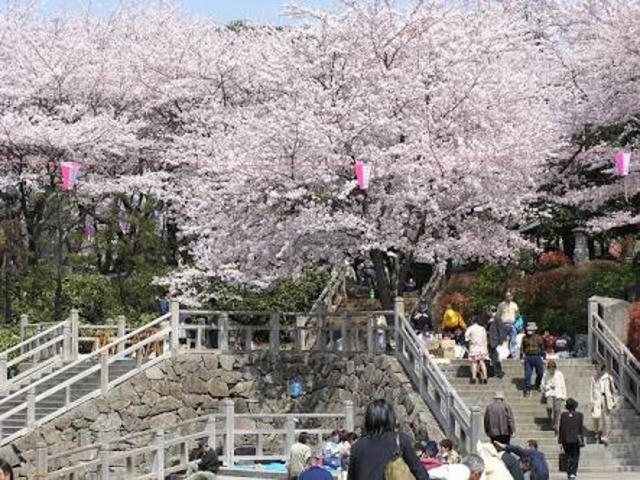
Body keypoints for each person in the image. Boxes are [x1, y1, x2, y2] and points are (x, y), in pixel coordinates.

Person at [346, 399, 429, 480]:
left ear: (368, 420)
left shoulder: (357, 447)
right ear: (390, 418)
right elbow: (421, 474)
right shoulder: (400, 441)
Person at [590, 363, 617, 446]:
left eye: (599, 369)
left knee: (606, 418)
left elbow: (613, 390)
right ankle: (596, 431)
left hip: (606, 398)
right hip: (597, 399)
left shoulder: (608, 378)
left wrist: (614, 400)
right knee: (596, 416)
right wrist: (591, 401)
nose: (598, 371)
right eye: (596, 369)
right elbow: (591, 390)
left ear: (603, 369)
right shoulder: (594, 378)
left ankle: (605, 436)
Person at [558, 398, 584, 480]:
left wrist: (560, 440)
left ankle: (569, 471)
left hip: (566, 439)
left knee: (568, 455)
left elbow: (561, 428)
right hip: (576, 439)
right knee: (575, 456)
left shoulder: (563, 415)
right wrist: (582, 439)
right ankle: (573, 472)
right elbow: (580, 429)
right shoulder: (580, 415)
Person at [540, 360, 567, 433]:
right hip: (549, 392)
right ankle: (549, 417)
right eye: (550, 368)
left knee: (557, 410)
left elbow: (563, 385)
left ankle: (555, 425)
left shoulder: (559, 374)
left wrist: (564, 396)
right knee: (549, 406)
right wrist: (543, 391)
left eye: (553, 368)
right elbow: (543, 384)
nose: (551, 370)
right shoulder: (545, 374)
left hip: (558, 393)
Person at [520, 323, 545, 397]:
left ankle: (538, 383)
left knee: (540, 373)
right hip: (528, 357)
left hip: (537, 356)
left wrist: (543, 357)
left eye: (530, 330)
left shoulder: (539, 338)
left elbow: (542, 347)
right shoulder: (524, 338)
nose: (529, 331)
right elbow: (522, 348)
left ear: (534, 330)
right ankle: (528, 389)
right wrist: (522, 357)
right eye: (528, 329)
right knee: (527, 374)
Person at [465, 316, 488, 384]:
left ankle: (474, 377)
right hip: (482, 347)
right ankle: (485, 377)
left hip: (473, 347)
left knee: (474, 363)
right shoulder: (482, 329)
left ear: (472, 321)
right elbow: (485, 339)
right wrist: (486, 348)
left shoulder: (470, 328)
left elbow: (466, 337)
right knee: (482, 362)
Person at [496, 292, 519, 357]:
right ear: (505, 296)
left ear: (512, 297)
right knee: (502, 340)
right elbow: (498, 315)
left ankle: (513, 355)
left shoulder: (514, 305)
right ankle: (502, 355)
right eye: (507, 296)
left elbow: (517, 314)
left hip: (512, 324)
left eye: (509, 296)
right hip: (503, 324)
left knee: (513, 340)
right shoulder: (501, 305)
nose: (508, 297)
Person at [487, 306, 507, 379]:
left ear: (490, 311)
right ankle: (497, 372)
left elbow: (501, 330)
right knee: (494, 357)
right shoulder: (491, 319)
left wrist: (502, 341)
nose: (487, 313)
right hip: (491, 341)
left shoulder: (497, 318)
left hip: (496, 341)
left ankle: (498, 372)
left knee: (496, 357)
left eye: (488, 311)